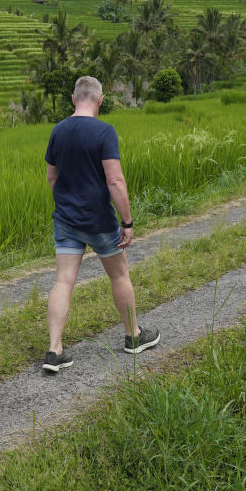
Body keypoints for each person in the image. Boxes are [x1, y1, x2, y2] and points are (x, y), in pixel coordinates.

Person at [42, 76, 160, 374]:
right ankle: (133, 336)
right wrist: (127, 221)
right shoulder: (104, 131)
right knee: (119, 276)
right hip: (98, 220)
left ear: (73, 98)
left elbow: (51, 178)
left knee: (63, 280)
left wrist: (67, 204)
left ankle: (55, 350)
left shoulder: (58, 130)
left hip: (66, 220)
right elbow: (115, 180)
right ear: (100, 99)